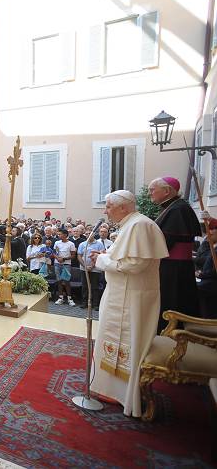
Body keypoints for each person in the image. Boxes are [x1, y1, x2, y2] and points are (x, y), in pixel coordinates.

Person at [89, 190, 168, 417]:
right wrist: (106, 256)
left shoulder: (139, 226)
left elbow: (134, 264)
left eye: (108, 206)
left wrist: (102, 260)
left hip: (133, 297)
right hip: (120, 294)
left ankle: (125, 393)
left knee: (128, 342)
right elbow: (123, 257)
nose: (105, 211)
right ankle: (111, 389)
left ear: (123, 207)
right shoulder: (130, 224)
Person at [148, 177, 202, 330]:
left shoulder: (178, 209)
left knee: (172, 303)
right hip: (173, 266)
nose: (150, 193)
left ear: (166, 191)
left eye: (152, 190)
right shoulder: (172, 207)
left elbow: (164, 243)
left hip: (173, 269)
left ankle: (171, 337)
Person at [53, 229, 76, 306]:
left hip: (66, 265)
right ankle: (60, 298)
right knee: (59, 281)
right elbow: (54, 252)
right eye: (58, 234)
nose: (58, 235)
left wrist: (64, 259)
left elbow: (73, 255)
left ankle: (70, 299)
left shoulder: (71, 244)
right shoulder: (56, 242)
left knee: (67, 281)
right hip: (57, 264)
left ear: (65, 235)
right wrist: (57, 258)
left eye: (60, 234)